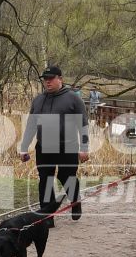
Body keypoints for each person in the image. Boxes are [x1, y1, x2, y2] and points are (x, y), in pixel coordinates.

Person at [18, 64, 90, 221]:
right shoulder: (38, 100)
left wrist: (84, 148)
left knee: (67, 177)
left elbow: (83, 125)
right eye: (45, 79)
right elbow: (31, 126)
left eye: (51, 79)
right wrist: (23, 148)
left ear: (60, 79)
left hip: (68, 147)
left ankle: (75, 200)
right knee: (45, 179)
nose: (47, 82)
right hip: (44, 147)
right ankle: (46, 217)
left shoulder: (73, 98)